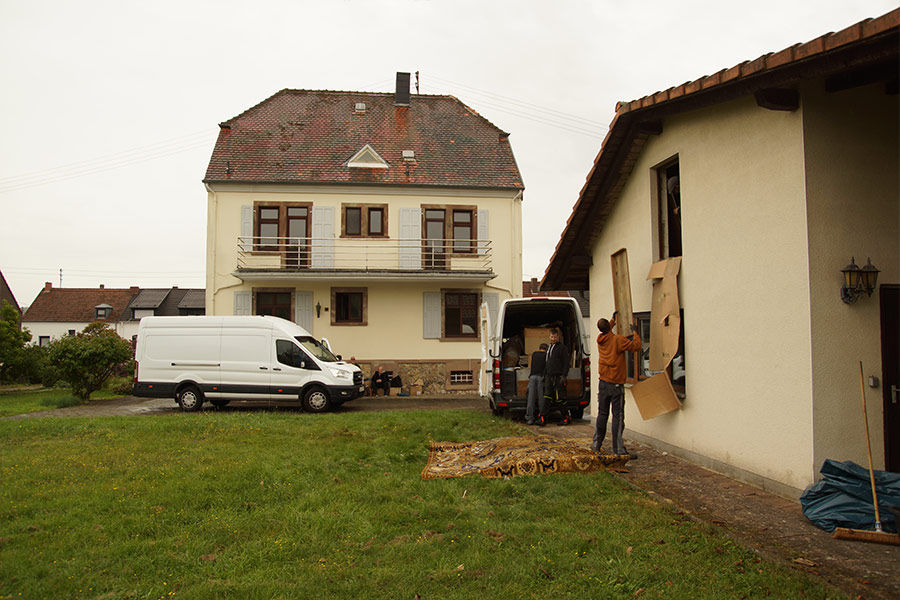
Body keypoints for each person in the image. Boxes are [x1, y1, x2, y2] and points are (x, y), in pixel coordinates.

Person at [593, 315, 642, 456]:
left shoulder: (600, 340)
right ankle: (618, 449)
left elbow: (606, 330)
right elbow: (636, 346)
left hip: (603, 382)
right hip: (615, 385)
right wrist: (636, 333)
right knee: (618, 417)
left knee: (602, 414)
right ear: (609, 328)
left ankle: (596, 444)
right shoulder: (618, 340)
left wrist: (612, 321)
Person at [541, 327, 571, 426]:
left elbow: (566, 363)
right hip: (549, 377)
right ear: (549, 337)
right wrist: (544, 375)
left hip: (558, 377)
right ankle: (542, 418)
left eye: (555, 337)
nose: (553, 339)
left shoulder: (562, 348)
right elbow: (547, 363)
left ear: (558, 337)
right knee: (546, 397)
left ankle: (566, 417)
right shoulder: (549, 348)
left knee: (560, 399)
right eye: (551, 337)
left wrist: (564, 375)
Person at [524, 343, 548, 425]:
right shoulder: (546, 356)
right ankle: (541, 416)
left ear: (539, 348)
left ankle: (530, 418)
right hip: (540, 377)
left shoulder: (534, 354)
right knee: (541, 398)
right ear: (546, 349)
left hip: (532, 377)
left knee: (531, 398)